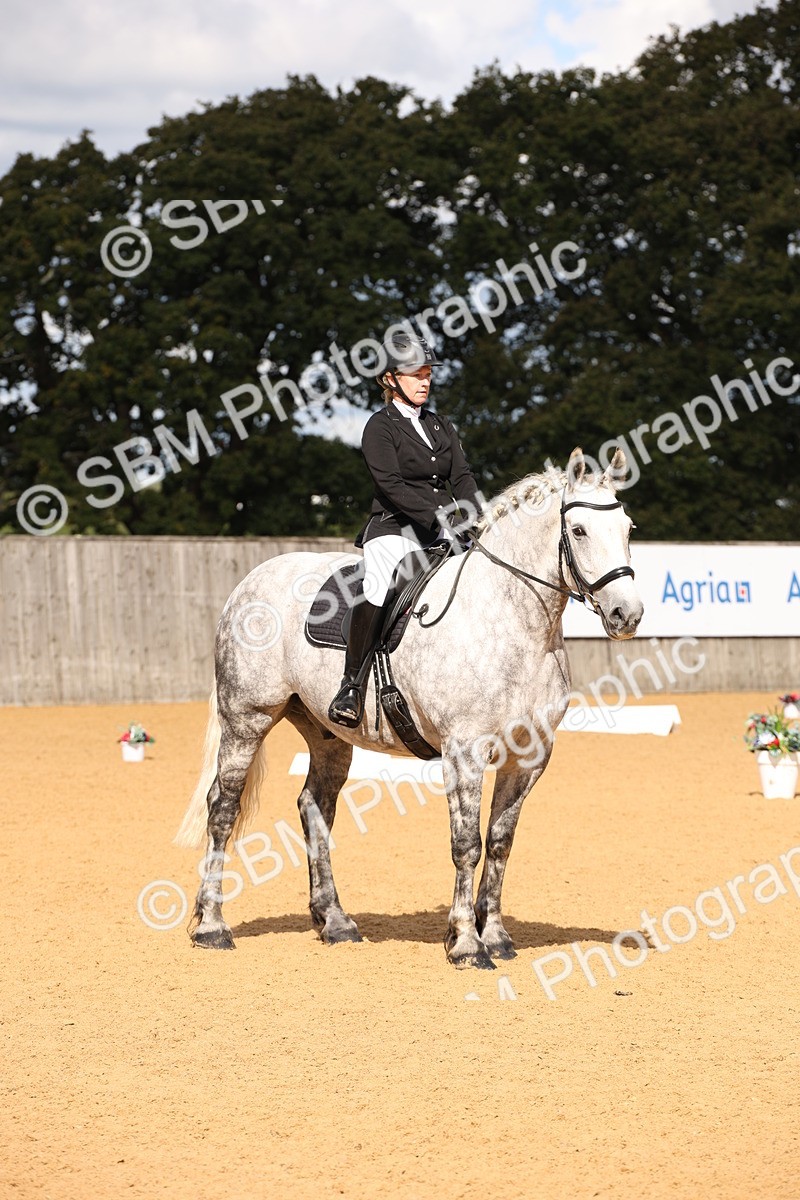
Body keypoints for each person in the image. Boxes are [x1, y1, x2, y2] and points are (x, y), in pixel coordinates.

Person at [328, 330, 483, 727]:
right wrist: (440, 515)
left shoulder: (440, 425)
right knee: (379, 580)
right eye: (416, 374)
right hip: (394, 526)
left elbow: (461, 475)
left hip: (442, 529)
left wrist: (472, 514)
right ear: (390, 379)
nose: (425, 380)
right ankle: (351, 685)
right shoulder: (379, 427)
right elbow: (391, 486)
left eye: (428, 373)